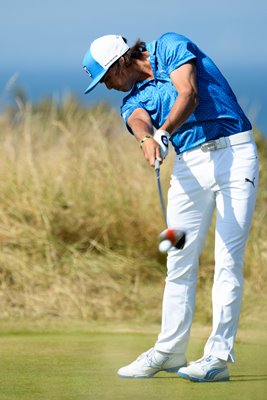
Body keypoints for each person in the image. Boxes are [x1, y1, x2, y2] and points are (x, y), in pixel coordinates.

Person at [82, 33, 259, 382]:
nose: (105, 86)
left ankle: (216, 357)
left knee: (227, 259)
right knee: (177, 259)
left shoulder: (170, 46)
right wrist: (148, 138)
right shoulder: (131, 97)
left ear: (121, 63)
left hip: (234, 159)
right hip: (189, 170)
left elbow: (188, 93)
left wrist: (164, 129)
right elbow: (137, 119)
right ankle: (169, 349)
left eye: (105, 77)